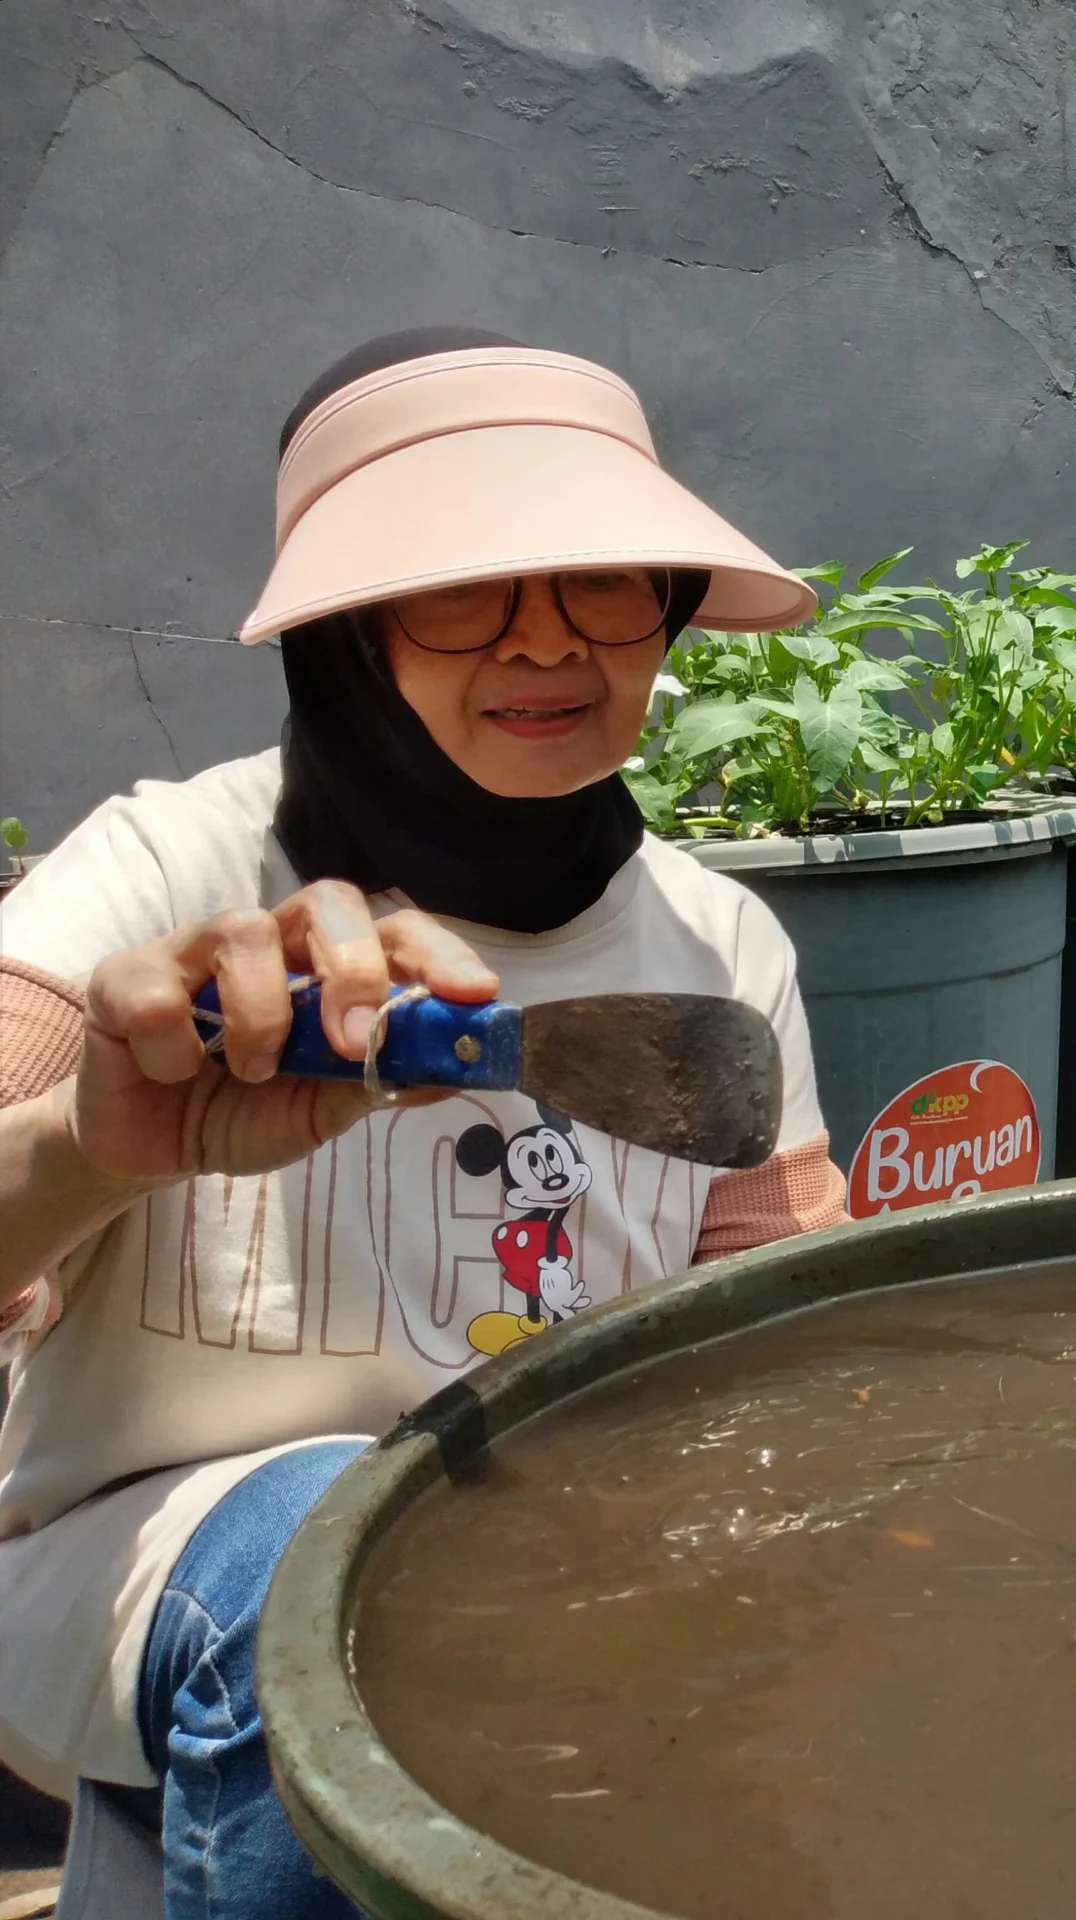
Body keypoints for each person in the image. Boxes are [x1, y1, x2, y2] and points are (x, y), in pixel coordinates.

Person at [0, 328, 852, 1916]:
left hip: (584, 1565)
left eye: (604, 585)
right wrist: (96, 1143)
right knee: (347, 1573)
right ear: (344, 633)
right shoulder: (159, 884)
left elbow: (780, 1353)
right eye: (461, 592)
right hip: (164, 1574)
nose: (549, 649)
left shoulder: (714, 948)